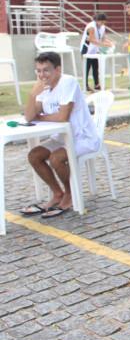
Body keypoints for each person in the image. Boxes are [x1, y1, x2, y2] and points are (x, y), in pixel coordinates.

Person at [21, 52, 100, 218]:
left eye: (46, 70)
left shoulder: (68, 82)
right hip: (61, 137)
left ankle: (70, 194)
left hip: (83, 137)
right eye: (39, 71)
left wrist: (41, 117)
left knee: (56, 158)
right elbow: (28, 117)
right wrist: (32, 95)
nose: (42, 75)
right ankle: (57, 193)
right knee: (34, 155)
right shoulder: (43, 87)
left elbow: (63, 117)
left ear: (58, 69)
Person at [80, 13, 114, 91]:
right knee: (86, 68)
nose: (102, 24)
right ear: (97, 20)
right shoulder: (91, 27)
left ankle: (97, 84)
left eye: (104, 22)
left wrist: (110, 42)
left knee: (96, 67)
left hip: (95, 49)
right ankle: (85, 85)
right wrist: (104, 44)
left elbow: (103, 38)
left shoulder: (102, 27)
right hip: (87, 49)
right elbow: (91, 40)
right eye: (101, 22)